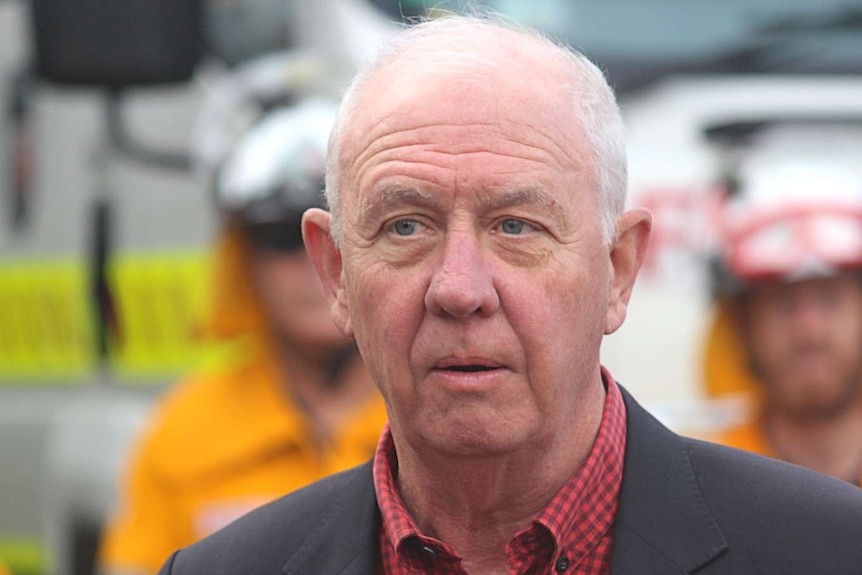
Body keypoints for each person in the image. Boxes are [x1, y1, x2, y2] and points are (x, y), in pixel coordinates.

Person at [157, 14, 862, 575]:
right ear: (336, 271)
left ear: (617, 269)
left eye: (516, 226)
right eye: (407, 225)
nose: (460, 289)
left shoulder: (830, 551)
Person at [97, 98, 387, 575]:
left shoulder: (438, 416)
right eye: (279, 237)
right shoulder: (186, 429)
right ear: (242, 261)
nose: (315, 263)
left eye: (337, 235)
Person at [701, 121, 862, 485]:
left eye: (830, 298)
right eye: (783, 304)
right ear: (742, 324)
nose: (810, 327)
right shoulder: (709, 488)